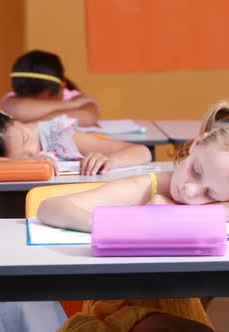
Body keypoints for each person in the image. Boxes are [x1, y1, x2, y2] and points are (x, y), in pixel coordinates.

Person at [35, 102, 229, 332]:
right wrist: (109, 223)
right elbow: (50, 207)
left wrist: (172, 211)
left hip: (176, 310)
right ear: (196, 144)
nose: (190, 190)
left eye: (210, 194)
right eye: (196, 171)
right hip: (120, 312)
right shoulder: (146, 186)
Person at [0, 109, 151, 175]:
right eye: (22, 154)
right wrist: (23, 164)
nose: (31, 150)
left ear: (14, 120)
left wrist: (109, 161)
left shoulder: (57, 135)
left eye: (25, 139)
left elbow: (142, 152)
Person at [0, 50, 100, 126]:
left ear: (62, 86)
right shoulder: (12, 99)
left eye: (39, 99)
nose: (36, 105)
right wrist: (72, 105)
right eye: (31, 102)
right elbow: (19, 110)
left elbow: (88, 117)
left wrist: (30, 123)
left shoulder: (76, 96)